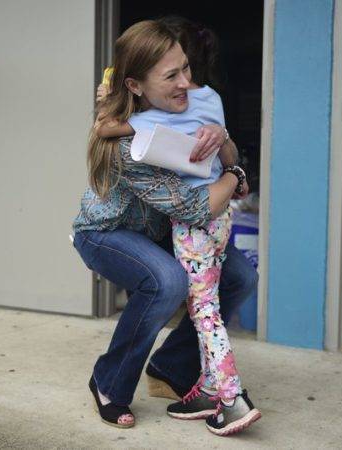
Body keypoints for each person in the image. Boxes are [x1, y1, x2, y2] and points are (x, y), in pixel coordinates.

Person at [72, 20, 258, 435]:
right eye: (171, 76)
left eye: (186, 69)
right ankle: (109, 381)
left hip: (160, 230)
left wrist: (222, 140)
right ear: (136, 85)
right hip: (107, 232)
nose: (186, 83)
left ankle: (171, 365)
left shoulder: (191, 108)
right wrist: (236, 174)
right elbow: (196, 206)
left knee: (240, 278)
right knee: (167, 281)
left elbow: (223, 157)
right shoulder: (130, 142)